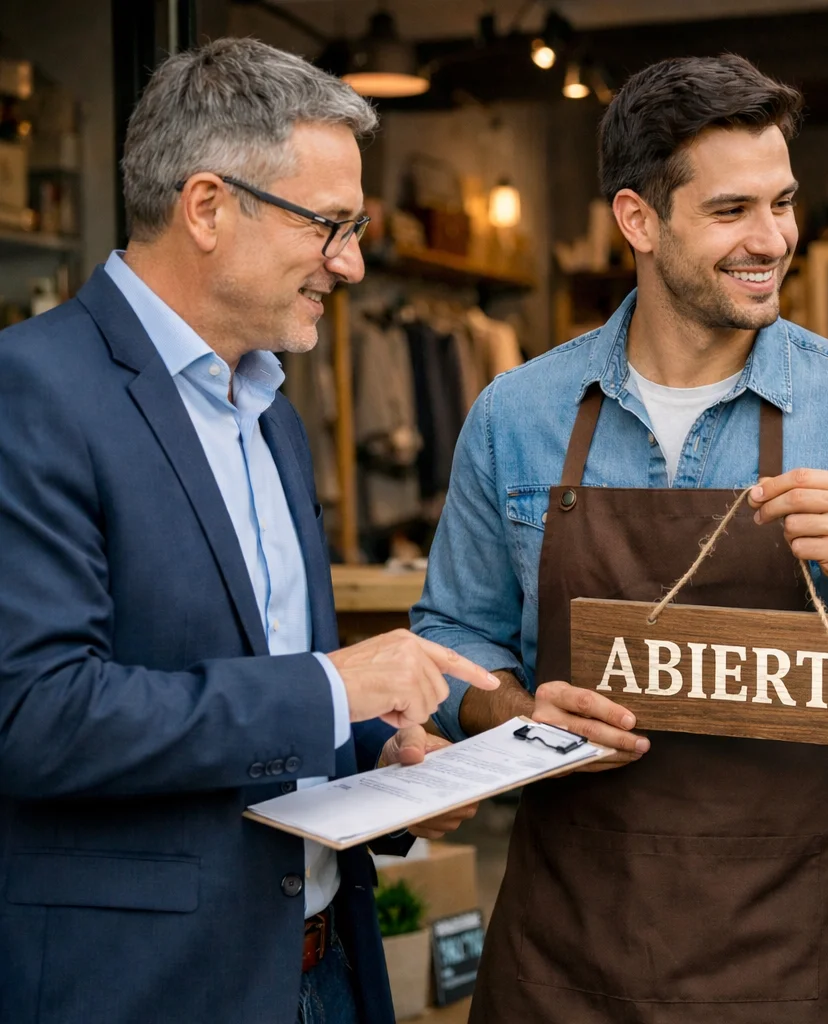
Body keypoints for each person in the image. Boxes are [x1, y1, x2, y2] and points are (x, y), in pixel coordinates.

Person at [412, 54, 828, 1022]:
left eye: (784, 203)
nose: (772, 239)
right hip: (570, 954)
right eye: (732, 211)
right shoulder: (516, 414)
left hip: (793, 956)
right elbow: (451, 640)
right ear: (639, 220)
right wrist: (513, 713)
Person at [0, 39, 499, 1024]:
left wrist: (385, 763)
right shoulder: (32, 388)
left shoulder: (271, 405)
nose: (350, 262)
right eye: (330, 225)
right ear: (208, 208)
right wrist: (332, 687)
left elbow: (274, 697)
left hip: (326, 968)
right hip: (145, 987)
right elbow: (35, 715)